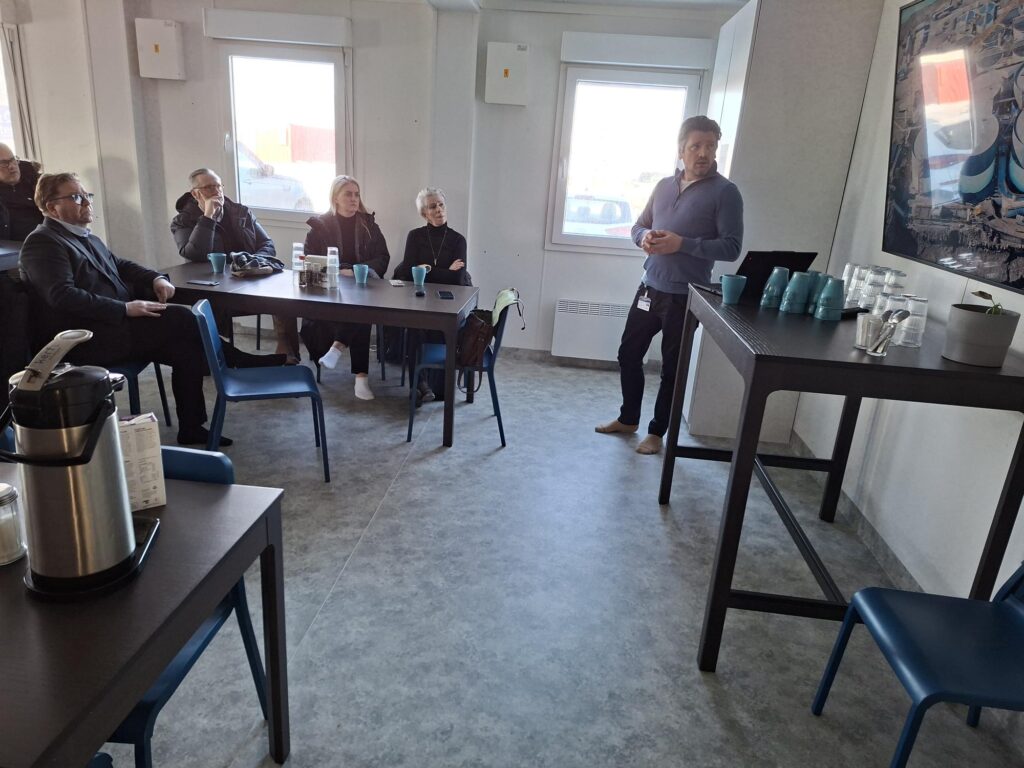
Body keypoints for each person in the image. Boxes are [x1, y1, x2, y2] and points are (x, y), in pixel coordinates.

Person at [19, 172, 229, 446]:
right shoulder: (43, 242)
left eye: (86, 195)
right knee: (179, 317)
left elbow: (120, 265)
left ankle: (192, 427)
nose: (87, 202)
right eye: (76, 197)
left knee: (186, 349)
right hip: (84, 339)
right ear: (51, 207)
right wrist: (125, 308)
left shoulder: (84, 236)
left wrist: (156, 278)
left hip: (115, 329)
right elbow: (62, 296)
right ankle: (237, 360)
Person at [596, 115, 743, 455]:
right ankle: (628, 418)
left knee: (671, 369)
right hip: (649, 287)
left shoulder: (726, 193)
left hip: (686, 297)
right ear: (681, 149)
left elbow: (732, 247)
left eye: (710, 146)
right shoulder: (663, 186)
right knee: (628, 354)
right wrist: (644, 237)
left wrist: (683, 244)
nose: (703, 153)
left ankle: (656, 432)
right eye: (696, 146)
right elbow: (638, 226)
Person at [170, 167, 301, 363]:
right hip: (213, 287)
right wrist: (208, 217)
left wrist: (252, 262)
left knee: (284, 295)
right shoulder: (183, 220)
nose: (216, 191)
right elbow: (194, 254)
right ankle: (220, 358)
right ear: (195, 193)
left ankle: (286, 350)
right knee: (206, 311)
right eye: (208, 187)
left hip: (249, 280)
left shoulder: (240, 212)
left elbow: (267, 245)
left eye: (218, 186)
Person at [302, 175, 390, 401]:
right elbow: (309, 259)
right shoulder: (320, 226)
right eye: (348, 194)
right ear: (336, 198)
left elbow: (383, 257)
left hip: (361, 283)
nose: (354, 199)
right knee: (358, 310)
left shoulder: (369, 225)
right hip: (331, 286)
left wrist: (356, 270)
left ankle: (341, 354)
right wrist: (336, 271)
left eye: (356, 194)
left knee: (362, 307)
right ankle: (359, 376)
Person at [393, 186, 471, 404]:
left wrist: (425, 269)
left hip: (448, 301)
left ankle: (429, 385)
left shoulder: (458, 240)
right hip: (419, 297)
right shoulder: (415, 236)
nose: (438, 210)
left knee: (437, 329)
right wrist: (445, 270)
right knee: (414, 327)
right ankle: (417, 386)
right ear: (424, 213)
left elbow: (457, 279)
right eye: (432, 206)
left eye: (441, 204)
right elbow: (408, 272)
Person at [0, 144, 42, 241]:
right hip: (9, 245)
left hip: (47, 240)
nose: (11, 166)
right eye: (3, 163)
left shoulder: (37, 182)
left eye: (13, 160)